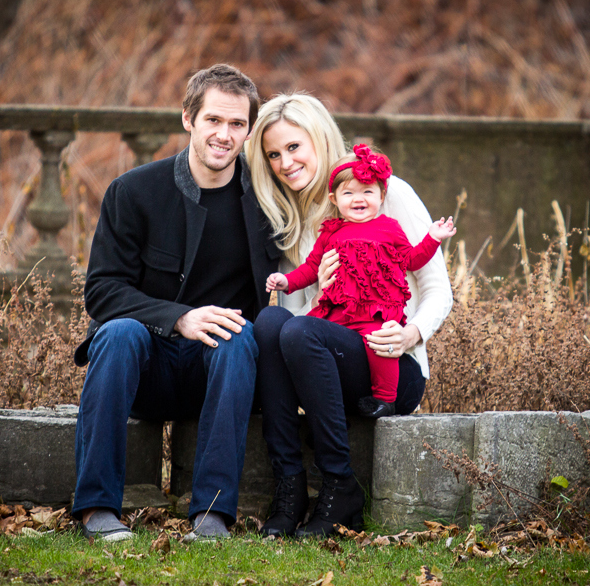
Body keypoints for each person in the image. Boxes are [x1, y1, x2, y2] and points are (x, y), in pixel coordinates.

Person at [71, 64, 280, 542]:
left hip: (224, 372)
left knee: (240, 334)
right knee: (118, 331)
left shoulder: (267, 201)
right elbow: (102, 291)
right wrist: (179, 318)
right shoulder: (135, 191)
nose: (224, 135)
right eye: (213, 120)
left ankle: (211, 514)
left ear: (248, 131)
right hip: (144, 365)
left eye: (236, 124)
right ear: (188, 119)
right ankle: (97, 508)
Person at [245, 93, 454, 538]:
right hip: (333, 359)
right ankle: (290, 486)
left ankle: (341, 487)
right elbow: (300, 326)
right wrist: (317, 280)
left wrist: (410, 335)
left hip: (391, 364)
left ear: (319, 138)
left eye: (294, 146)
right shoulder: (294, 217)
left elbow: (438, 288)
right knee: (268, 324)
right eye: (274, 154)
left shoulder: (384, 192)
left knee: (295, 329)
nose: (285, 162)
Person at [265, 144, 456, 419]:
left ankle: (384, 400)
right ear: (334, 199)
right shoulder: (330, 232)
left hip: (374, 309)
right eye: (349, 193)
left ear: (382, 195)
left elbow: (412, 259)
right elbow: (311, 268)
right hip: (338, 313)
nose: (359, 199)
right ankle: (324, 417)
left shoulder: (390, 227)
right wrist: (286, 281)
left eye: (368, 192)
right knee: (314, 343)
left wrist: (432, 238)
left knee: (380, 346)